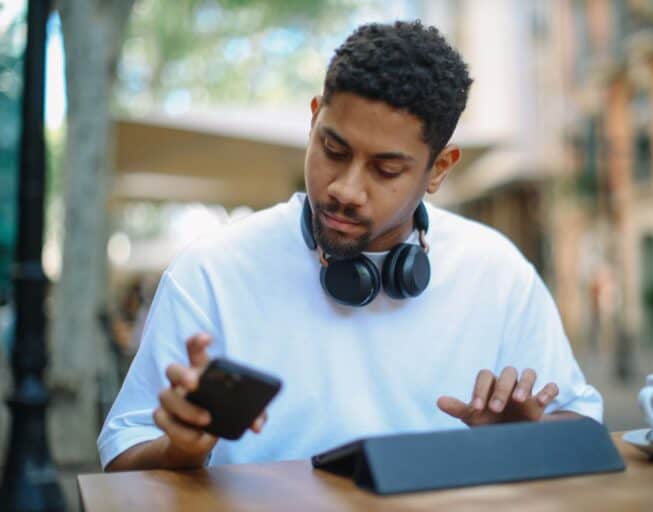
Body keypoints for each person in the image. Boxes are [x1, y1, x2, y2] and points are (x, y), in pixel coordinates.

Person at [99, 20, 602, 472]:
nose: (345, 188)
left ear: (440, 169)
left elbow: (583, 424)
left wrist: (526, 438)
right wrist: (180, 450)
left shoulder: (497, 270)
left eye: (386, 170)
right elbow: (123, 452)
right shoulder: (208, 272)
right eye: (332, 150)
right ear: (314, 118)